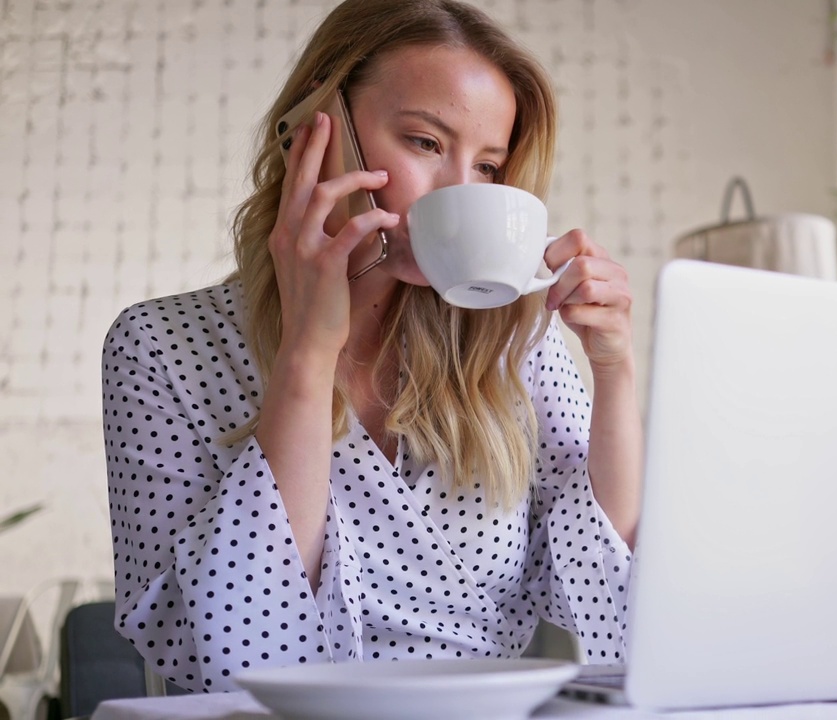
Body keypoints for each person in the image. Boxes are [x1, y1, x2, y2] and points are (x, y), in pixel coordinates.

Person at [100, 0, 641, 693]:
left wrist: (615, 368)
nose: (457, 190)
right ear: (315, 134)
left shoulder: (517, 345)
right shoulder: (159, 348)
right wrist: (306, 353)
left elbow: (613, 604)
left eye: (486, 166)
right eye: (423, 142)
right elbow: (234, 661)